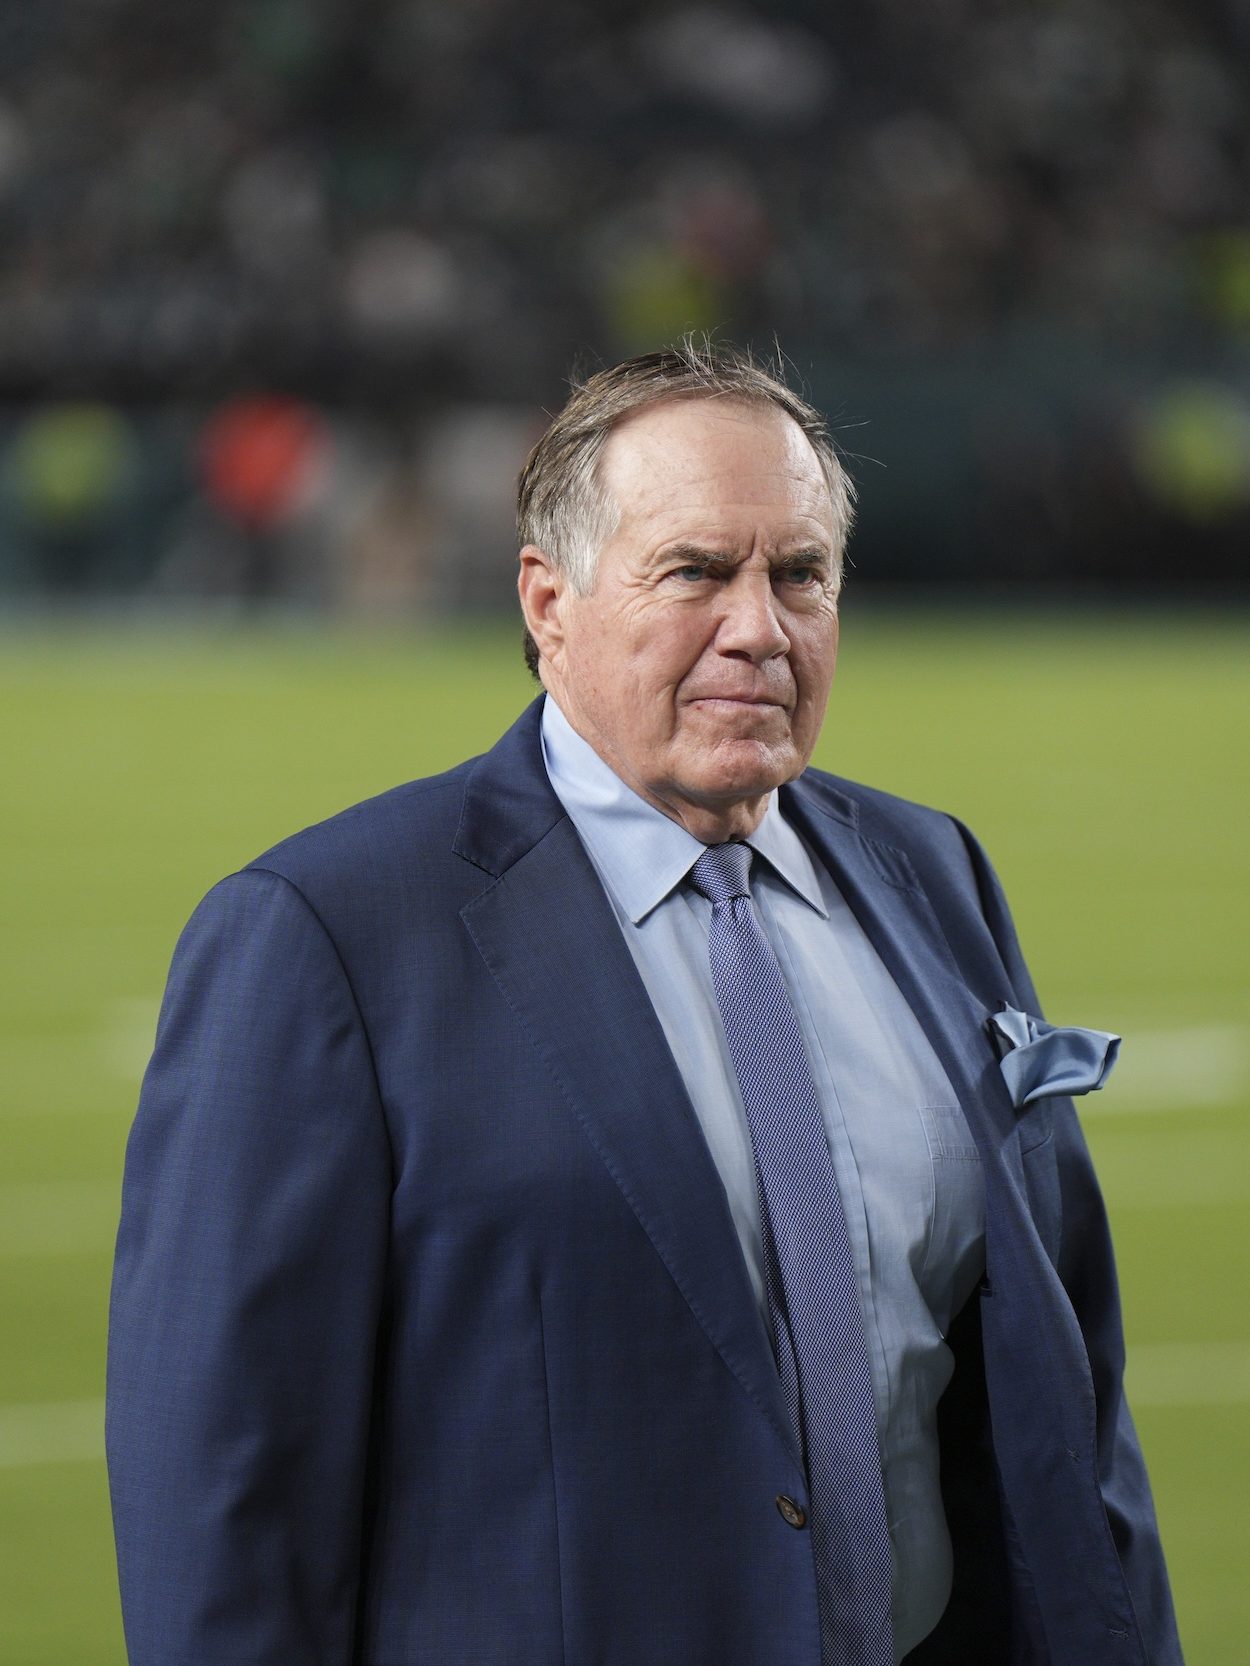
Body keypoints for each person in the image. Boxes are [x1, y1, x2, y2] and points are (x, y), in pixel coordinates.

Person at [107, 343, 1183, 1666]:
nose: (758, 627)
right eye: (693, 572)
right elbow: (225, 1483)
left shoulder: (932, 871)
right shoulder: (323, 933)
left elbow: (1067, 1387)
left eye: (799, 574)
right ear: (547, 603)